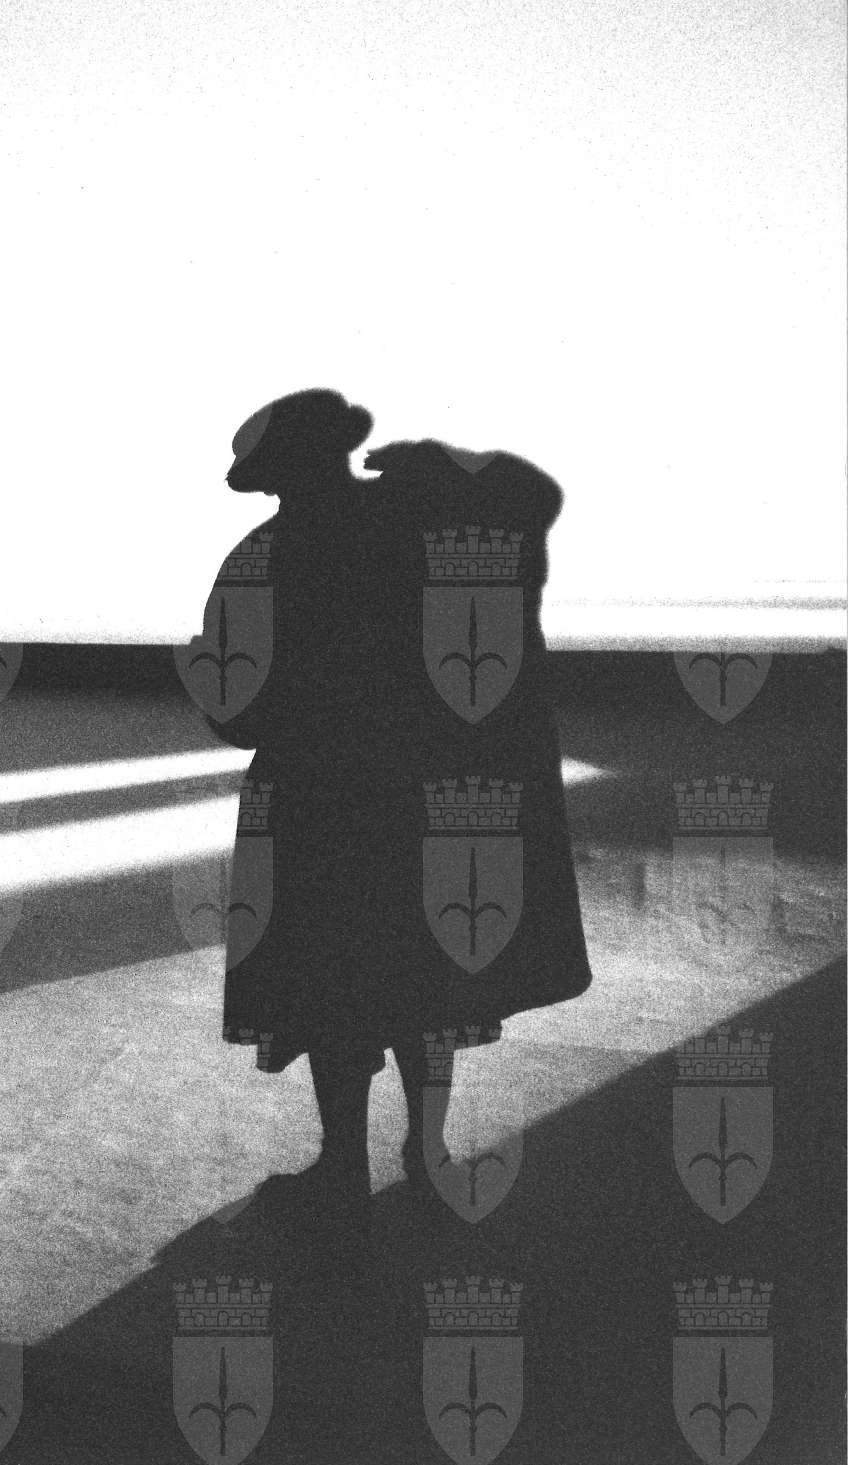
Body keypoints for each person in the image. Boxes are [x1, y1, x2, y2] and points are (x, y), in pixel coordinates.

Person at [196, 387, 594, 1223]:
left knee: (328, 987)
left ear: (272, 476)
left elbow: (238, 715)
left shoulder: (260, 557)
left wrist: (207, 673)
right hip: (413, 795)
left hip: (314, 805)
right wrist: (442, 468)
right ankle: (426, 1147)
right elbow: (532, 505)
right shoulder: (414, 529)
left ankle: (343, 1161)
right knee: (419, 979)